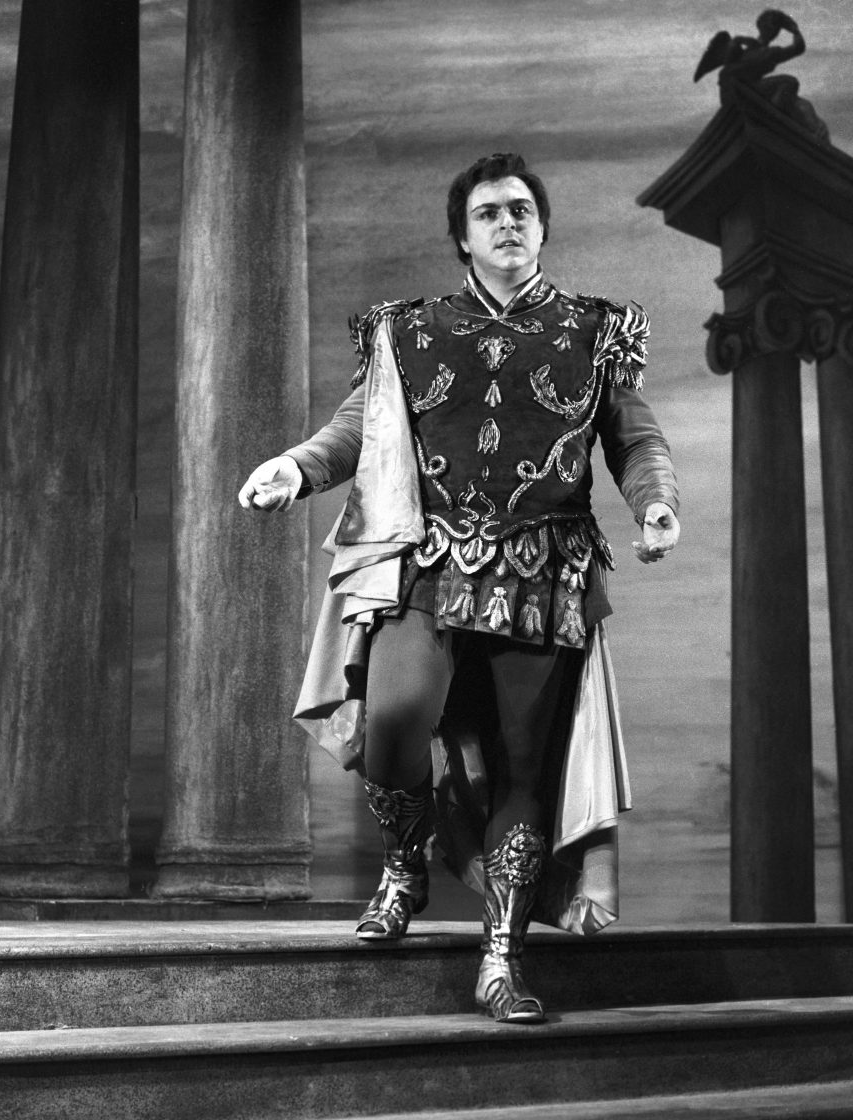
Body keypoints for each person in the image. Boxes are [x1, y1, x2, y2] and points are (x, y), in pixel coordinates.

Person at [239, 153, 679, 1024]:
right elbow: (358, 430)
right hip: (430, 565)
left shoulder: (594, 330)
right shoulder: (410, 332)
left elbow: (635, 439)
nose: (508, 222)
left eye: (521, 210)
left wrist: (656, 502)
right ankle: (407, 862)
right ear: (462, 238)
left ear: (542, 227)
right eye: (488, 213)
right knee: (394, 723)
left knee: (525, 768)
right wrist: (296, 467)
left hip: (545, 576)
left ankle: (501, 958)